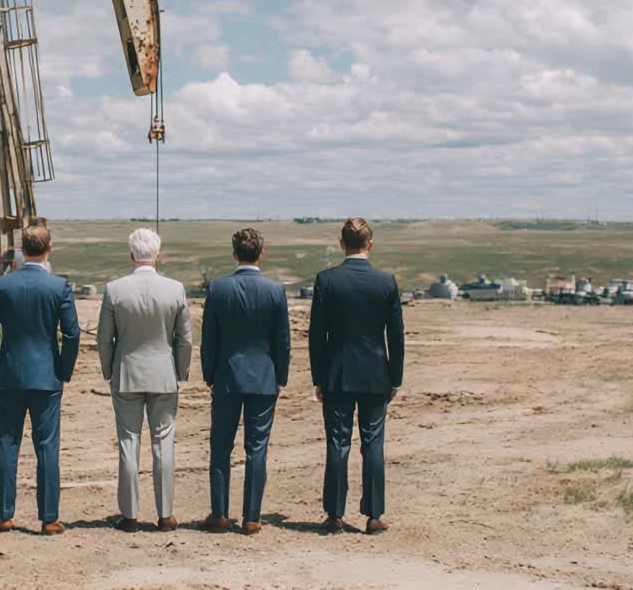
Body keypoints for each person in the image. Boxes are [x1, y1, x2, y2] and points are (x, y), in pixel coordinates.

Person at [0, 222, 80, 535]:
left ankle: (4, 514)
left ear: (22, 250)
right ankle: (49, 518)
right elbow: (72, 334)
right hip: (47, 377)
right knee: (47, 447)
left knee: (7, 444)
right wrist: (63, 370)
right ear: (48, 249)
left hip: (10, 375)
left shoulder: (1, 286)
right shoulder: (59, 287)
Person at [308, 218, 405, 534]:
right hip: (376, 374)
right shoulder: (386, 282)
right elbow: (397, 336)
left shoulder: (327, 280)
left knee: (337, 443)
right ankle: (374, 515)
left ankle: (335, 514)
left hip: (337, 374)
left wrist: (318, 377)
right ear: (370, 245)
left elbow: (316, 334)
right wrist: (396, 378)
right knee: (373, 443)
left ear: (341, 244)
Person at [96, 228, 193, 532]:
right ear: (157, 255)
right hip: (163, 373)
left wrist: (108, 370)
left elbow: (104, 339)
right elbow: (185, 339)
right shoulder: (175, 289)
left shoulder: (114, 289)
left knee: (129, 443)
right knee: (164, 444)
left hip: (127, 374)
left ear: (131, 255)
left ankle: (130, 515)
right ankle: (165, 514)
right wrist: (181, 371)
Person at [200, 228, 291, 536]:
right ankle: (252, 516)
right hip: (263, 378)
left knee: (220, 446)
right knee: (257, 447)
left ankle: (220, 513)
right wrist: (281, 376)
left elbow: (209, 338)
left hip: (226, 376)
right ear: (261, 254)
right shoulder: (275, 291)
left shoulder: (218, 289)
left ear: (234, 254)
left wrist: (209, 374)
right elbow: (283, 340)